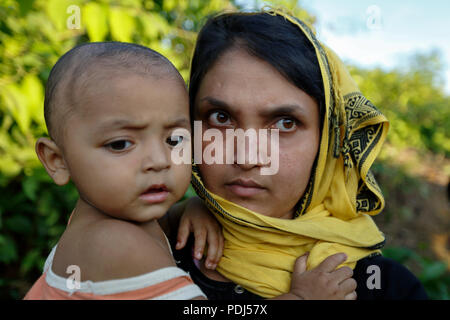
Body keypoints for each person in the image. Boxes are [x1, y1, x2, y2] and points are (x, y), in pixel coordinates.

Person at [171, 9, 428, 300]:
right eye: (220, 117)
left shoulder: (387, 288)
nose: (247, 158)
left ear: (328, 140)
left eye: (285, 123)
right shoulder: (147, 255)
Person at [23, 42, 219, 299]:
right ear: (57, 160)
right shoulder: (118, 245)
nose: (160, 161)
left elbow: (156, 226)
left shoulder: (94, 221)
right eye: (120, 144)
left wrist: (189, 208)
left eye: (174, 140)